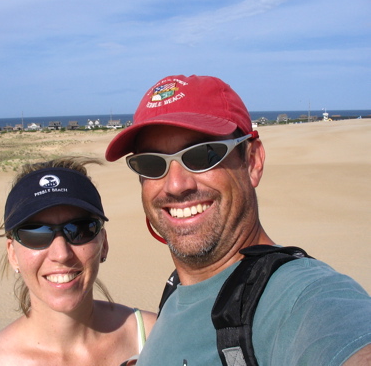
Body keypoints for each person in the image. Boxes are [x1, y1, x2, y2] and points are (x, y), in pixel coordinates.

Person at [105, 75, 371, 365]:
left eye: (204, 155)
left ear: (253, 161)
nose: (176, 185)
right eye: (151, 163)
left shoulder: (301, 298)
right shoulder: (175, 295)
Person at [0, 156, 156, 366]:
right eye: (36, 234)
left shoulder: (156, 337)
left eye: (80, 229)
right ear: (12, 254)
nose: (61, 254)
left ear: (104, 243)